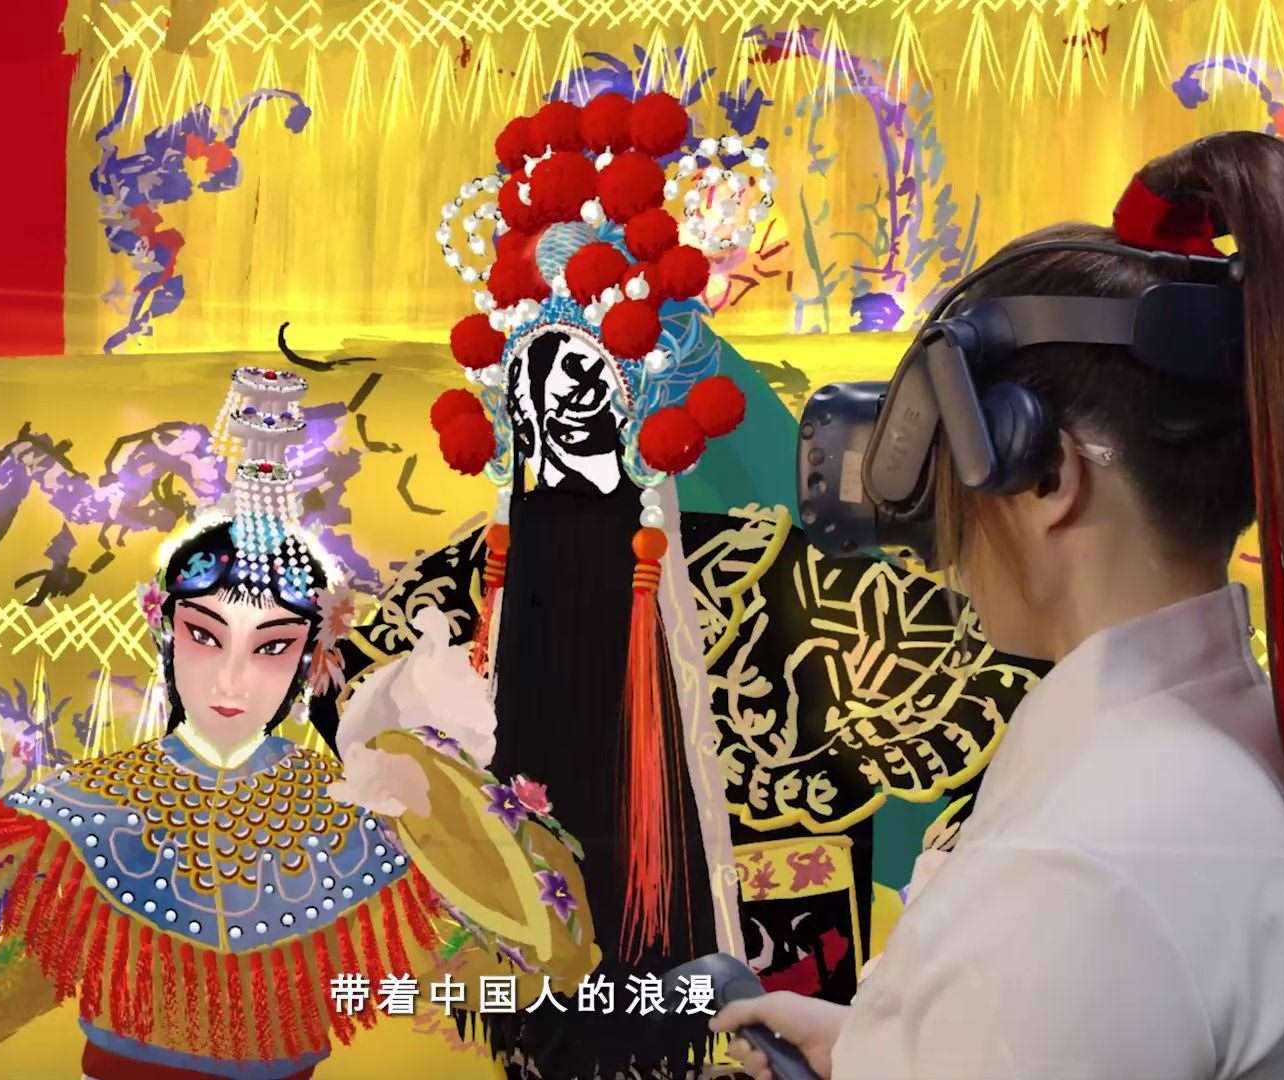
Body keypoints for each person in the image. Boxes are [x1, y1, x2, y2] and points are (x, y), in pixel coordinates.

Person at [322, 93, 1037, 1080]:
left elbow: (993, 671)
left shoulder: (768, 583)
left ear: (642, 410)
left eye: (586, 390)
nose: (557, 417)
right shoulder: (454, 594)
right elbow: (349, 718)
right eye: (532, 392)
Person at [0, 368, 599, 1080]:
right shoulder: (88, 812)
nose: (233, 677)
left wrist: (431, 793)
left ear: (314, 657)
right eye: (207, 636)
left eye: (271, 648)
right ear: (165, 632)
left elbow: (538, 953)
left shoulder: (354, 813)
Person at [711, 131, 1284, 1079]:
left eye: (947, 476)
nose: (939, 532)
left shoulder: (1085, 869)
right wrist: (878, 1050)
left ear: (1046, 477)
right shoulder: (1207, 748)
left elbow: (1074, 966)